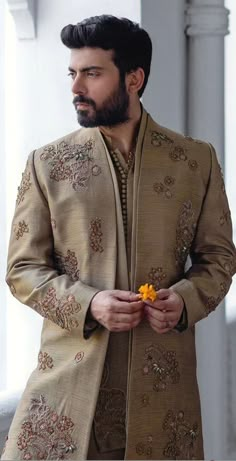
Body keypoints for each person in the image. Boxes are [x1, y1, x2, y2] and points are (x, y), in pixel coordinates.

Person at [2, 14, 236, 461]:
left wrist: (185, 299)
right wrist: (90, 303)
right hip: (66, 397)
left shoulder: (194, 161)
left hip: (162, 395)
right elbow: (22, 269)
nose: (76, 87)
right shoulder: (48, 163)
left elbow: (219, 257)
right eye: (72, 73)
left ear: (134, 78)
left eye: (91, 73)